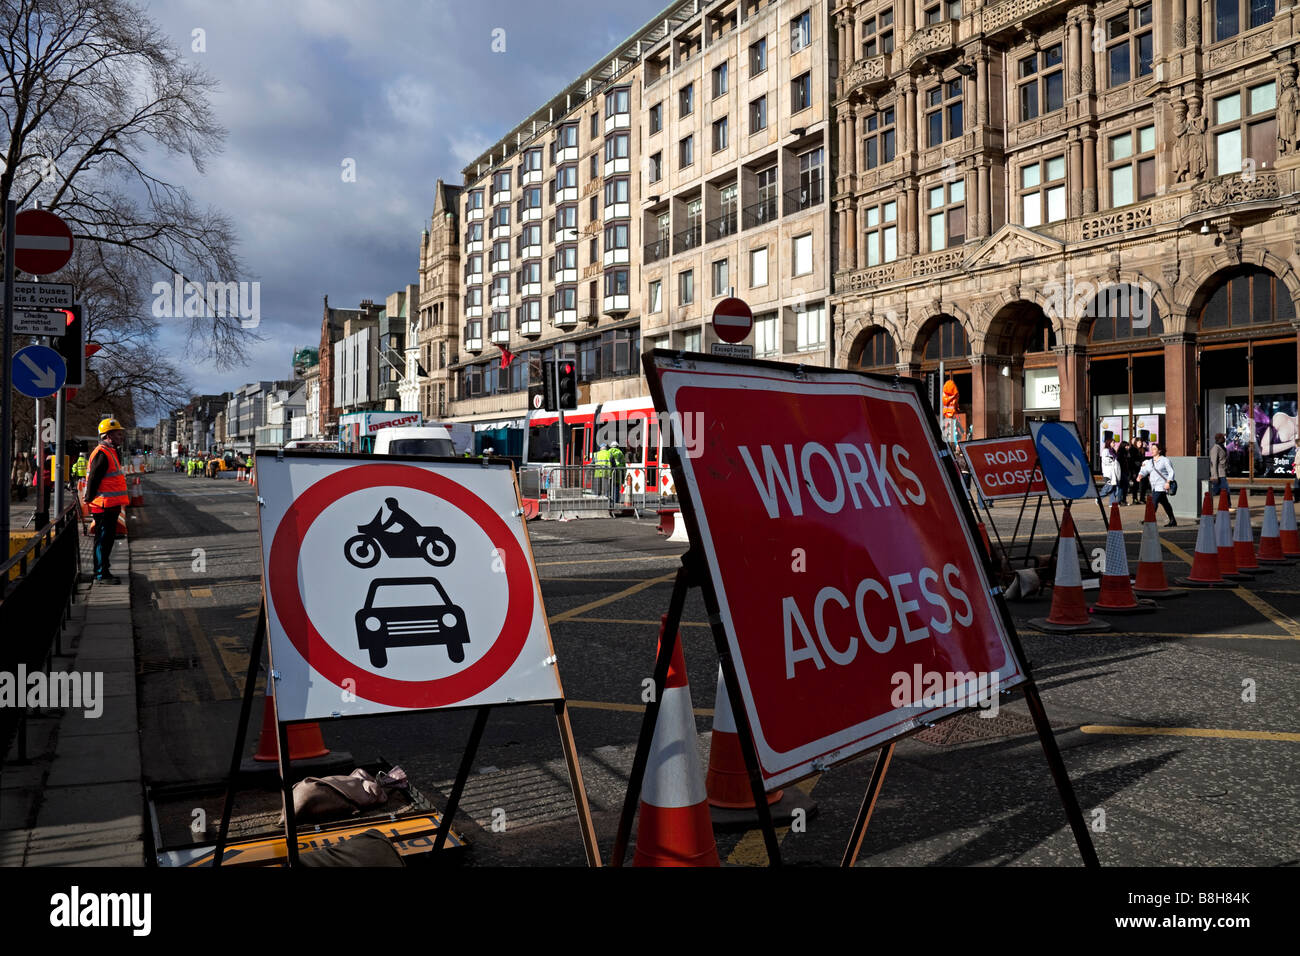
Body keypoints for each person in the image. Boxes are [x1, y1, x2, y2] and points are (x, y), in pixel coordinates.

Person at [84, 418, 131, 583]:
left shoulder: (110, 452)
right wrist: (88, 499)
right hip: (103, 506)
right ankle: (100, 574)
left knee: (107, 540)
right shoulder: (102, 453)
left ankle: (104, 570)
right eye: (118, 433)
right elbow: (94, 479)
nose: (121, 436)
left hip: (110, 506)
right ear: (108, 435)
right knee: (103, 540)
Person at [1138, 443, 1177, 526]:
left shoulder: (1165, 460)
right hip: (1154, 486)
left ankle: (1148, 520)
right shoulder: (1149, 461)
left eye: (1154, 449)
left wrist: (1168, 482)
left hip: (1162, 486)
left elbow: (1171, 472)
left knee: (1153, 503)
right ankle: (1172, 520)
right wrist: (1140, 475)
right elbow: (1145, 470)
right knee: (1165, 504)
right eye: (1152, 449)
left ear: (1159, 450)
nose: (1152, 450)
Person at [1099, 440, 1122, 505]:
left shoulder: (1113, 450)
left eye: (1114, 442)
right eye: (1113, 442)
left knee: (1114, 488)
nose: (1114, 443)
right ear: (1109, 443)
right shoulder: (1105, 450)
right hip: (1108, 472)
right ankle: (1099, 498)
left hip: (1114, 472)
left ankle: (1112, 503)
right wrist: (1113, 459)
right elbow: (1105, 460)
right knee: (1109, 486)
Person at [1209, 432, 1229, 498]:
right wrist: (1214, 476)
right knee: (1225, 491)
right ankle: (1227, 505)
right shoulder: (1216, 448)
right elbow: (1213, 463)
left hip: (1223, 473)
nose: (1224, 439)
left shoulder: (1222, 447)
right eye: (1223, 437)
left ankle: (1226, 505)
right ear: (1219, 439)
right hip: (1219, 475)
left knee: (1218, 491)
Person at [607, 441, 627, 507]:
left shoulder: (608, 452)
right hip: (618, 471)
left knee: (609, 486)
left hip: (610, 471)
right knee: (617, 486)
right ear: (617, 446)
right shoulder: (620, 452)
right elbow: (623, 463)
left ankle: (608, 500)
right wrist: (624, 471)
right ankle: (616, 501)